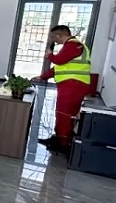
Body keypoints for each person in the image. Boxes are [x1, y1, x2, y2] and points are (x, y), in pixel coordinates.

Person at [33, 24, 92, 152]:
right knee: (63, 113)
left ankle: (63, 144)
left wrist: (50, 55)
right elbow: (60, 67)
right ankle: (59, 138)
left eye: (53, 37)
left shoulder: (73, 45)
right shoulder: (70, 46)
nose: (53, 40)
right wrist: (43, 76)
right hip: (71, 85)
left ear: (59, 35)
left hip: (74, 85)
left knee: (65, 114)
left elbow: (59, 60)